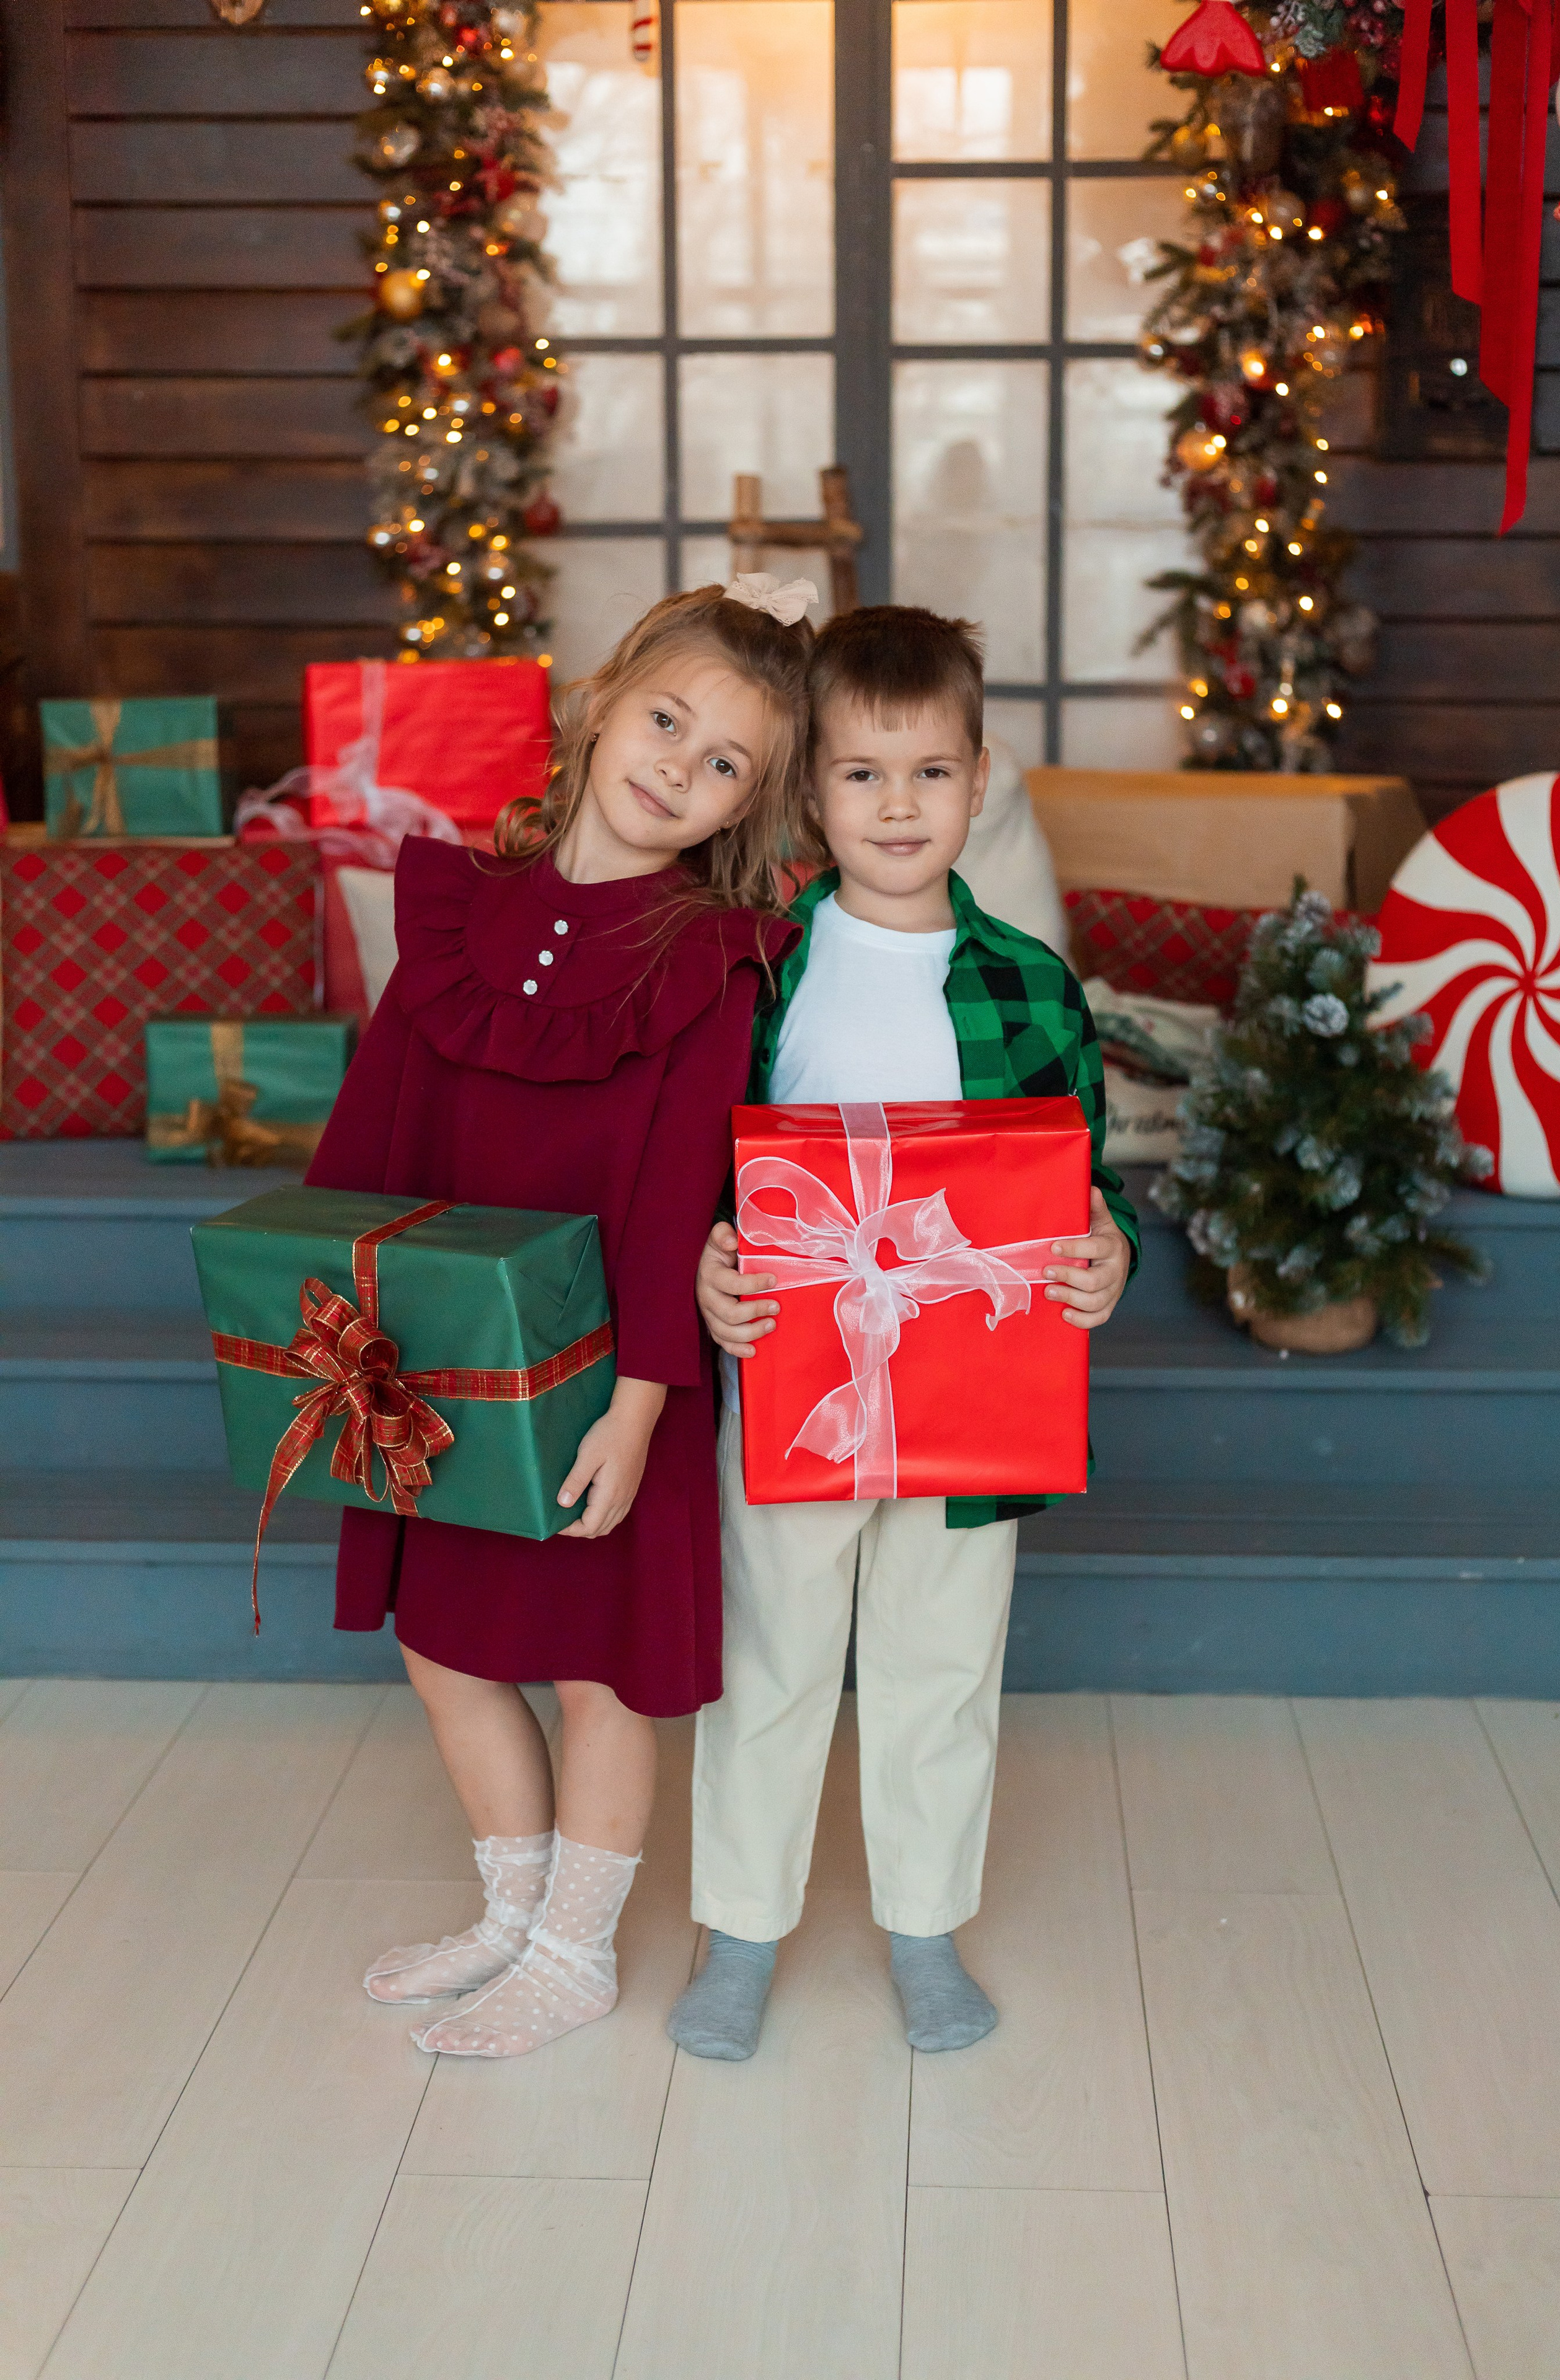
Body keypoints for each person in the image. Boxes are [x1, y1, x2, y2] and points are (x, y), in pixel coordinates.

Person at [304, 576, 817, 2060]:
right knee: (444, 1646)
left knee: (598, 1671)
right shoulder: (461, 913)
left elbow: (673, 1197)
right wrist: (322, 1310)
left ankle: (576, 1952)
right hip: (436, 1357)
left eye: (721, 762)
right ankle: (511, 1910)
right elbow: (375, 1131)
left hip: (607, 1378)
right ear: (599, 707)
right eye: (664, 721)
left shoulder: (707, 958)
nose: (675, 766)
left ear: (743, 805)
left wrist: (642, 1404)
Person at [668, 605, 1139, 2063]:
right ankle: (740, 1929)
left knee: (939, 1662)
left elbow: (1082, 1183)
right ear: (810, 789)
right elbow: (692, 1172)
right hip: (789, 1374)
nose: (896, 806)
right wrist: (705, 1266)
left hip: (973, 1393)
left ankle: (924, 1927)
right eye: (862, 774)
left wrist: (1104, 1256)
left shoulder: (1029, 984)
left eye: (929, 773)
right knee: (771, 1652)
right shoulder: (758, 966)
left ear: (977, 781)